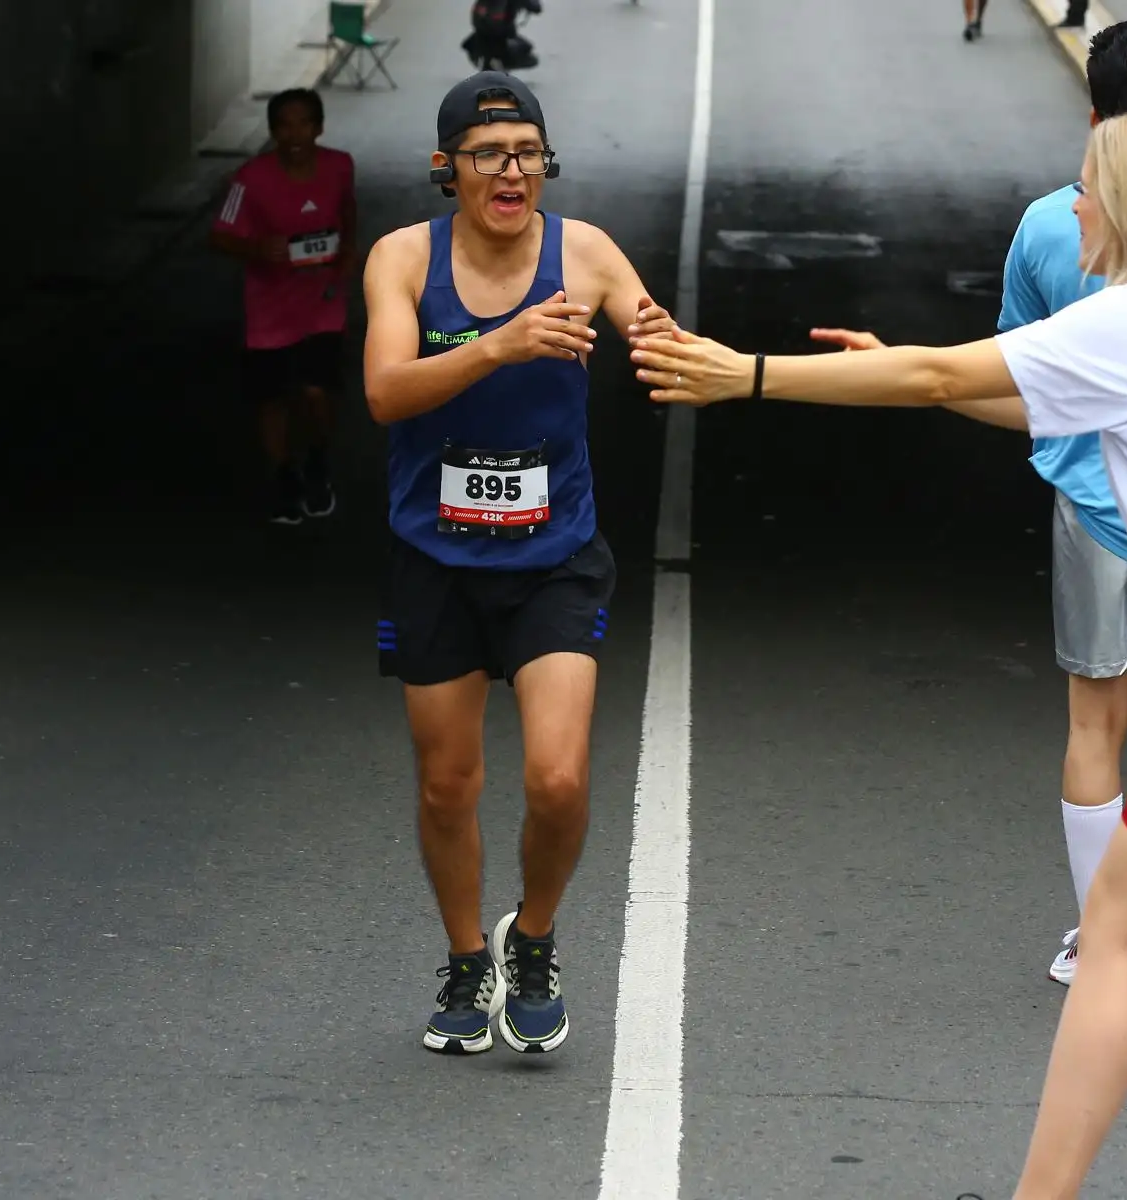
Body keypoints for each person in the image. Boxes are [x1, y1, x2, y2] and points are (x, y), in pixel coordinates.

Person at [630, 108, 1127, 1199]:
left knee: (1115, 930)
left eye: (1088, 187)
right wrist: (931, 375)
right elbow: (1048, 408)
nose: (1075, 208)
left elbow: (932, 377)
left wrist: (750, 376)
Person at [814, 18, 1127, 1014]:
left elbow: (1020, 387)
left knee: (1095, 720)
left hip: (1092, 509)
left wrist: (924, 384)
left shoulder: (1051, 226)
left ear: (1093, 117)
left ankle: (1108, 937)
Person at [361, 71, 675, 1057]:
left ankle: (531, 935)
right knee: (449, 783)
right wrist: (500, 346)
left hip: (555, 556)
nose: (513, 171)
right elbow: (385, 392)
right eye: (491, 153)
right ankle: (465, 962)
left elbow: (650, 326)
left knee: (558, 778)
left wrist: (677, 353)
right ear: (445, 167)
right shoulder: (403, 260)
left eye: (529, 152)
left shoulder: (581, 250)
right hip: (434, 557)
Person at [209, 87, 356, 524]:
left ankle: (317, 461)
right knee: (272, 400)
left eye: (304, 123)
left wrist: (347, 253)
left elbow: (347, 210)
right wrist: (256, 248)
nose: (295, 133)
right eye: (284, 125)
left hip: (322, 302)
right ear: (272, 131)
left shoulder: (338, 166)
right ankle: (284, 475)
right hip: (269, 309)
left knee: (315, 393)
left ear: (319, 127)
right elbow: (218, 235)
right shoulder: (249, 179)